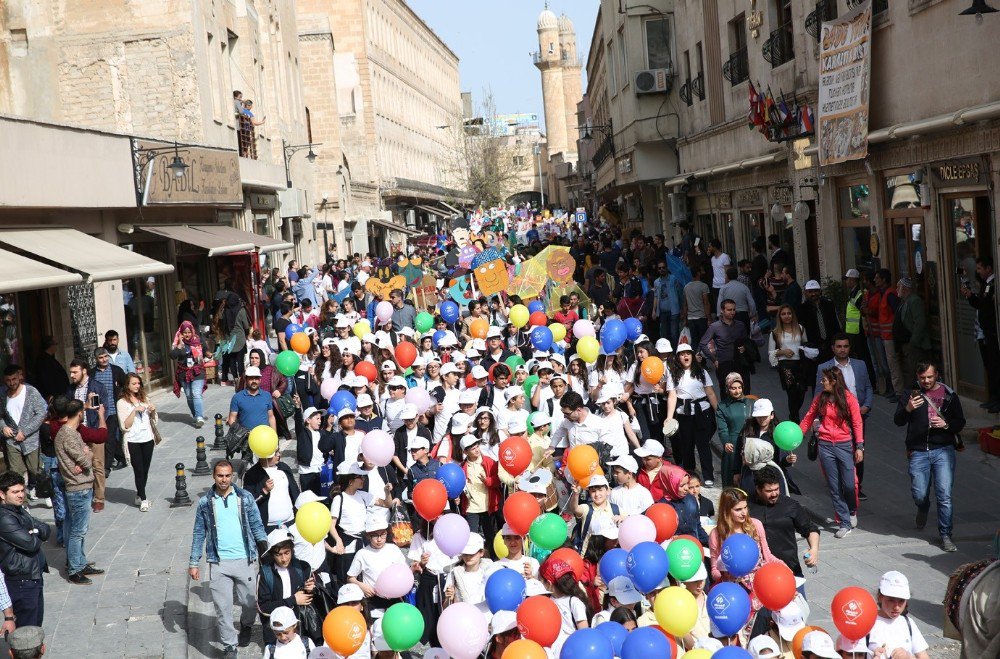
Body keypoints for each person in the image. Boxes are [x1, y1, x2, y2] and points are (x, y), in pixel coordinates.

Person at [188, 460, 268, 658]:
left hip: (245, 559)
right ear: (213, 477)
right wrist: (194, 562)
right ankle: (229, 646)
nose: (224, 479)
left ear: (232, 476)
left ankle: (246, 624)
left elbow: (257, 526)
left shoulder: (245, 497)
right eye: (220, 476)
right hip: (219, 562)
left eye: (227, 475)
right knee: (223, 608)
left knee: (249, 602)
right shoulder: (206, 502)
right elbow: (199, 533)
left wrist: (265, 553)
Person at [893, 362, 964, 553]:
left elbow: (960, 422)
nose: (926, 381)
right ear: (917, 377)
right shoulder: (911, 395)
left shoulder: (948, 395)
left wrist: (946, 424)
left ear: (937, 376)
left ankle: (946, 534)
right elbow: (898, 421)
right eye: (922, 377)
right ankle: (923, 506)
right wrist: (907, 408)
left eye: (930, 377)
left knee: (945, 495)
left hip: (943, 450)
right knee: (919, 493)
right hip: (918, 451)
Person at [799, 367, 864, 539]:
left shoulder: (849, 399)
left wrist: (860, 446)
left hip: (844, 444)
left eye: (825, 380)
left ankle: (851, 510)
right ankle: (844, 522)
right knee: (834, 486)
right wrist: (798, 434)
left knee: (850, 484)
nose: (822, 382)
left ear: (834, 381)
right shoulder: (820, 398)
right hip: (825, 445)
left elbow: (857, 423)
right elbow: (808, 417)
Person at [815, 333, 873, 499]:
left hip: (857, 415)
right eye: (839, 346)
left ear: (849, 347)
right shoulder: (823, 368)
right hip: (834, 418)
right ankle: (840, 483)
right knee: (838, 450)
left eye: (845, 346)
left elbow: (868, 387)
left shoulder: (860, 365)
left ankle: (857, 485)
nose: (842, 349)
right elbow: (818, 394)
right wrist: (818, 419)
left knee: (859, 448)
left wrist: (866, 406)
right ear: (833, 348)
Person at [54, 398, 104, 585]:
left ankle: (81, 563)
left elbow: (83, 456)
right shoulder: (68, 435)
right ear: (80, 414)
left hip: (81, 485)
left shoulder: (71, 432)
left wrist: (85, 453)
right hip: (77, 488)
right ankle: (75, 569)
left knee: (80, 529)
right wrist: (88, 454)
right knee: (78, 531)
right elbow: (85, 460)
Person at [748, 466, 820, 579]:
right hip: (757, 573)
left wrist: (814, 549)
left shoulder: (791, 505)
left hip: (790, 570)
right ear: (758, 489)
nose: (774, 494)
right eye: (769, 491)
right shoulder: (746, 507)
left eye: (776, 489)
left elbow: (810, 529)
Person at [0, 472, 50, 626]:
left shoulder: (19, 510)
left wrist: (32, 531)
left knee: (35, 626)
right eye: (15, 492)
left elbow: (46, 529)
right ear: (2, 494)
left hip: (34, 576)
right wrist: (34, 532)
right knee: (26, 630)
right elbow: (31, 544)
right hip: (22, 580)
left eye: (22, 491)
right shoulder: (4, 518)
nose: (20, 495)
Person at [668, 344, 717, 485]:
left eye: (688, 353)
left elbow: (710, 393)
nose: (685, 356)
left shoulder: (701, 372)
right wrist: (669, 417)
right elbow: (672, 396)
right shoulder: (674, 374)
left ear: (692, 355)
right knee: (687, 445)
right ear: (678, 357)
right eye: (682, 354)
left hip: (702, 411)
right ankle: (690, 473)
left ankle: (708, 475)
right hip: (684, 413)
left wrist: (718, 411)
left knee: (703, 445)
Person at [257, 530, 316, 646]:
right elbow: (263, 608)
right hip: (277, 633)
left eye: (287, 553)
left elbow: (312, 600)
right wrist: (292, 600)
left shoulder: (303, 567)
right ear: (272, 555)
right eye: (278, 555)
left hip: (300, 629)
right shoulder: (265, 573)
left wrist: (311, 589)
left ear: (292, 550)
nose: (283, 559)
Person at [67, 359, 109, 513]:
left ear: (84, 371)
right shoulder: (70, 390)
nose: (72, 375)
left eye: (75, 372)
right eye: (71, 372)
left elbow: (105, 409)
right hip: (77, 433)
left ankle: (99, 498)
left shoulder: (97, 387)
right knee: (80, 465)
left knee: (98, 465)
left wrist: (100, 428)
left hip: (93, 430)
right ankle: (84, 493)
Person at [0, 365, 48, 492]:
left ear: (19, 377)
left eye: (14, 379)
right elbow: (1, 416)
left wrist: (25, 432)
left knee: (35, 469)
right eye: (8, 380)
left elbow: (42, 412)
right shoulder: (4, 396)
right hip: (11, 440)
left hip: (30, 440)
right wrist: (3, 427)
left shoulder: (31, 392)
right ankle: (22, 504)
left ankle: (47, 491)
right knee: (16, 473)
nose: (11, 383)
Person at [962, 256, 1000, 411]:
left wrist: (974, 297)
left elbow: (987, 306)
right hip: (984, 332)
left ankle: (997, 400)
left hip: (991, 332)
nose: (978, 272)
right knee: (989, 367)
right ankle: (992, 398)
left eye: (979, 268)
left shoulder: (992, 284)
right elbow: (980, 304)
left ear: (988, 268)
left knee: (995, 367)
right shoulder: (985, 284)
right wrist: (971, 297)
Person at [865, 571, 930, 659]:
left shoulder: (908, 623)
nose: (896, 607)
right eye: (891, 600)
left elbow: (924, 657)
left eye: (901, 601)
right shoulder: (866, 622)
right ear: (880, 597)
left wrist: (908, 656)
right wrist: (871, 655)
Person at [116, 373, 157, 511]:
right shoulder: (121, 403)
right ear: (127, 385)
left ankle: (139, 494)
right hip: (133, 440)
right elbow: (125, 426)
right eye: (133, 384)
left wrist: (152, 410)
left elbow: (153, 420)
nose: (137, 386)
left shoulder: (145, 398)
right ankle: (144, 499)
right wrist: (134, 410)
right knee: (138, 469)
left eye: (138, 383)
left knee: (145, 469)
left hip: (147, 438)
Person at [768, 304, 809, 423]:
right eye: (783, 314)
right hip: (785, 365)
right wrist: (783, 351)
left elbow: (805, 344)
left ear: (793, 315)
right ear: (779, 316)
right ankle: (795, 421)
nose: (786, 316)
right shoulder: (775, 333)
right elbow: (771, 353)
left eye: (789, 313)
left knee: (802, 391)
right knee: (792, 393)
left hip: (800, 364)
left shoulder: (800, 328)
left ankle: (793, 414)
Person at [798, 280, 841, 390]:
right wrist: (807, 349)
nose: (813, 294)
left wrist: (837, 343)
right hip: (813, 349)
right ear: (806, 293)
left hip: (829, 346)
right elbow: (801, 331)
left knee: (833, 377)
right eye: (810, 291)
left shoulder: (828, 304)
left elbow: (835, 325)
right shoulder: (802, 309)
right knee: (816, 380)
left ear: (820, 291)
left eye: (816, 291)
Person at [700, 299, 750, 390]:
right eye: (729, 310)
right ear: (722, 311)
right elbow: (703, 344)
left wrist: (745, 347)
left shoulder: (740, 325)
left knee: (744, 390)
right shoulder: (715, 327)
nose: (732, 312)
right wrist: (714, 360)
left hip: (740, 363)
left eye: (734, 309)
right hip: (723, 364)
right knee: (725, 392)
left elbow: (746, 341)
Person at [715, 372, 752, 486]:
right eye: (733, 388)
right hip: (733, 446)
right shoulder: (722, 406)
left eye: (739, 388)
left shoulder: (751, 403)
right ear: (727, 389)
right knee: (732, 482)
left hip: (751, 443)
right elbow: (722, 429)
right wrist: (726, 442)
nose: (737, 391)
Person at [170, 321, 208, 428]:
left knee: (196, 393)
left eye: (189, 332)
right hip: (184, 373)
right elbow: (172, 356)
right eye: (185, 332)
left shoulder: (198, 340)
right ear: (181, 333)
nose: (187, 334)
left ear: (192, 331)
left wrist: (209, 355)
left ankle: (200, 417)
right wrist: (179, 346)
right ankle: (196, 416)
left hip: (197, 371)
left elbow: (206, 351)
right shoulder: (177, 343)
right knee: (189, 396)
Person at [893, 278, 931, 381]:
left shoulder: (914, 301)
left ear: (904, 288)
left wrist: (913, 343)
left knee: (915, 373)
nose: (896, 289)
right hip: (905, 345)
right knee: (909, 372)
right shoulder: (904, 301)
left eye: (898, 287)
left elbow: (920, 323)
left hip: (915, 346)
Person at [227, 365, 277, 437]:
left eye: (256, 378)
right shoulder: (237, 397)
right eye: (251, 378)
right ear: (246, 380)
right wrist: (243, 432)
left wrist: (274, 437)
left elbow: (271, 417)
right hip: (245, 439)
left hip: (264, 438)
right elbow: (231, 420)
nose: (254, 381)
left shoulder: (267, 395)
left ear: (260, 380)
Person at [221, 293, 251, 384]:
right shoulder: (241, 310)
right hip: (239, 338)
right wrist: (247, 333)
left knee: (232, 360)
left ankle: (235, 379)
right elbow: (246, 325)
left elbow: (222, 323)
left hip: (229, 338)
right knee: (240, 360)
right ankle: (242, 379)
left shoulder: (225, 310)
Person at [682, 264, 713, 349]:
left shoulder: (686, 287)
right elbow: (706, 303)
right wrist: (709, 318)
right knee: (704, 341)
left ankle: (696, 358)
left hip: (691, 318)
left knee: (694, 342)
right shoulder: (704, 286)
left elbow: (685, 305)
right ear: (698, 273)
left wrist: (685, 319)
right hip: (701, 318)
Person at [32, 336, 69, 402]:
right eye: (55, 344)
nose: (56, 346)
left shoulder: (49, 359)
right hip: (54, 398)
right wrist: (52, 394)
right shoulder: (43, 361)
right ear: (50, 345)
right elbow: (46, 380)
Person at [653, 261, 682, 345]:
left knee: (674, 334)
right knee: (664, 335)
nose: (661, 269)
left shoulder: (673, 278)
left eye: (663, 267)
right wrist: (654, 310)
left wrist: (683, 308)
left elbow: (679, 293)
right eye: (659, 268)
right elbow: (655, 296)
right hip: (662, 312)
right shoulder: (656, 282)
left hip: (674, 310)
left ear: (666, 268)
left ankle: (676, 352)